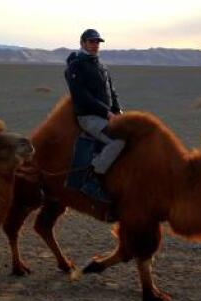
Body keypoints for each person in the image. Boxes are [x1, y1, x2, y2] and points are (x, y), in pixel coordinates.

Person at [64, 29, 123, 203]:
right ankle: (91, 178)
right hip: (89, 117)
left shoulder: (102, 66)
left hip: (107, 115)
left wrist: (119, 112)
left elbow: (112, 92)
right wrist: (107, 113)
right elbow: (82, 97)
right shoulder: (76, 66)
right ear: (82, 43)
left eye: (97, 42)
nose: (95, 45)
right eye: (91, 42)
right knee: (118, 141)